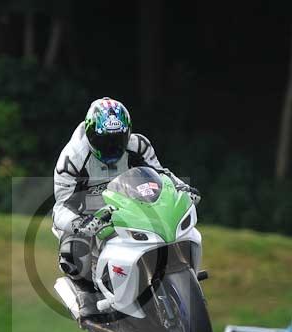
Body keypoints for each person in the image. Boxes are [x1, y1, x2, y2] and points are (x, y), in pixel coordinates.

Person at [52, 97, 200, 318]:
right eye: (103, 141)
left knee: (172, 220)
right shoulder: (71, 160)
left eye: (118, 139)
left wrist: (182, 187)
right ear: (91, 135)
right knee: (73, 249)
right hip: (88, 214)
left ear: (128, 133)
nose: (111, 147)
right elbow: (60, 207)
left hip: (130, 202)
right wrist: (79, 223)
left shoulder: (139, 145)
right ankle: (85, 293)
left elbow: (161, 174)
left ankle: (174, 270)